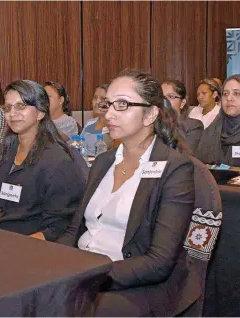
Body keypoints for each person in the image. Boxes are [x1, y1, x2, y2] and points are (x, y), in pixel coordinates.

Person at [58, 69, 199, 317]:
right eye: (108, 104)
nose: (109, 113)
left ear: (151, 114)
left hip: (135, 283)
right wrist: (51, 264)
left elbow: (159, 262)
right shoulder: (103, 162)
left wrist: (87, 276)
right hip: (82, 270)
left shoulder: (174, 168)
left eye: (122, 104)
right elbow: (75, 230)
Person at [0, 80, 88, 242]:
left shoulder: (58, 161)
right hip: (0, 236)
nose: (12, 113)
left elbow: (58, 228)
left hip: (31, 245)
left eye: (21, 106)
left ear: (40, 113)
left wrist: (15, 247)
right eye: (8, 108)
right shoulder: (4, 152)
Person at [162, 80, 204, 152]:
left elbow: (184, 156)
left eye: (170, 96)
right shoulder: (152, 124)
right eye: (161, 96)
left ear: (182, 103)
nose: (164, 100)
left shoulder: (194, 126)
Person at [80, 84, 113, 156]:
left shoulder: (115, 125)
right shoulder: (90, 123)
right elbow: (80, 144)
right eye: (95, 98)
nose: (97, 101)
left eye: (103, 99)